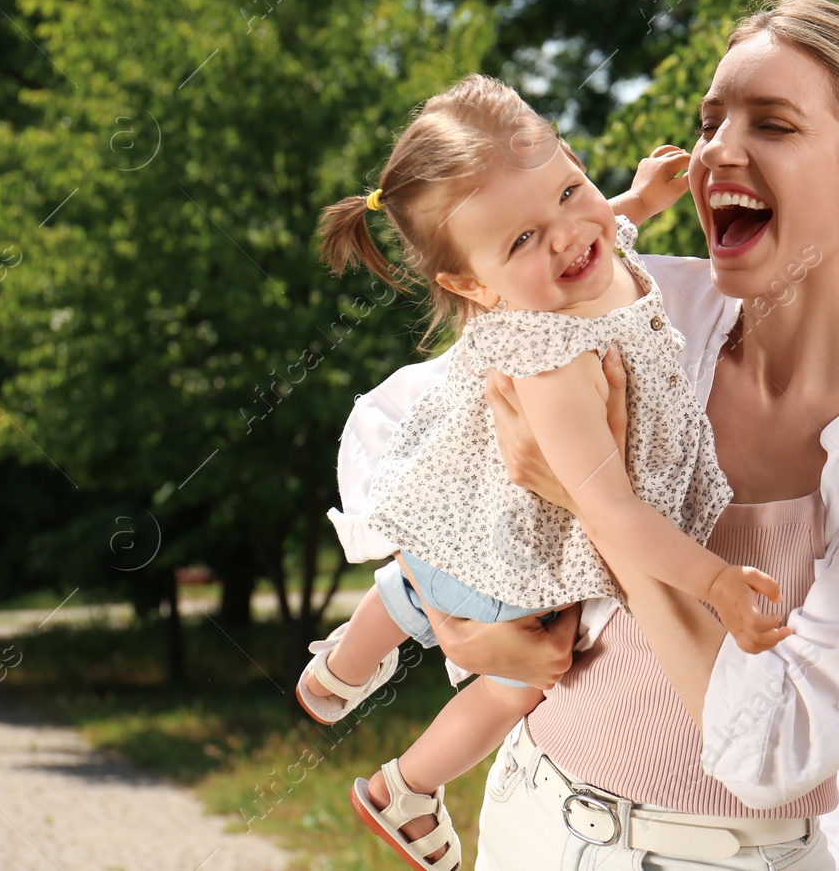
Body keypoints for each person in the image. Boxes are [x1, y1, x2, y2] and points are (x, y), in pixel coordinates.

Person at [335, 0, 839, 870]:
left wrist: (596, 507)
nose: (719, 149)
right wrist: (456, 615)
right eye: (712, 118)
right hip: (532, 820)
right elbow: (396, 429)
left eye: (773, 124)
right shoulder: (643, 309)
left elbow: (772, 754)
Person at [301, 74, 792, 871]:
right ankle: (406, 787)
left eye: (570, 186)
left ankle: (345, 664)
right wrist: (715, 583)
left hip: (484, 511)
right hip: (514, 546)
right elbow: (614, 510)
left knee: (426, 575)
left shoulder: (589, 247)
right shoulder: (554, 360)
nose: (567, 236)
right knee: (519, 679)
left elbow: (605, 229)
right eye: (521, 241)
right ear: (471, 286)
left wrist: (635, 196)